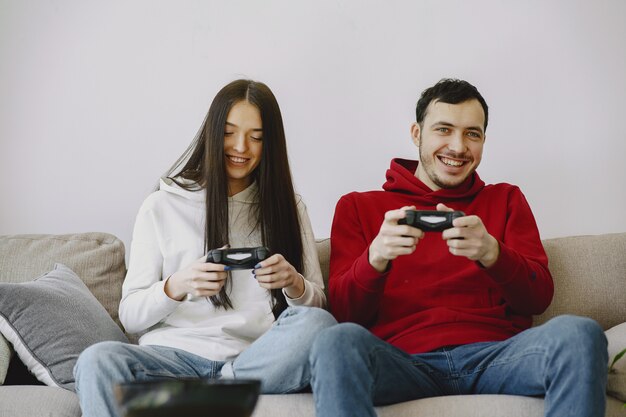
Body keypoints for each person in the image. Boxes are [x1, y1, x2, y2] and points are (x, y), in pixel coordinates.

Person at [309, 78, 608, 417]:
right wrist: (375, 258)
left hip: (496, 357)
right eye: (444, 129)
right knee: (334, 342)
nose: (458, 146)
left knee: (580, 333)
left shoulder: (506, 199)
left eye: (472, 134)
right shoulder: (358, 207)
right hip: (399, 361)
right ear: (417, 133)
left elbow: (538, 299)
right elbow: (345, 315)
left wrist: (493, 254)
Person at [73, 79, 336, 417]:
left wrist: (294, 284)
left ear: (269, 143)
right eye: (229, 132)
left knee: (319, 327)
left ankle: (220, 390)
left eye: (256, 137)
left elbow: (319, 308)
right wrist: (178, 285)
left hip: (248, 361)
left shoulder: (288, 208)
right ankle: (220, 396)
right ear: (211, 134)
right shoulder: (162, 205)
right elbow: (131, 316)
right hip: (171, 359)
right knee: (97, 360)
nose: (241, 146)